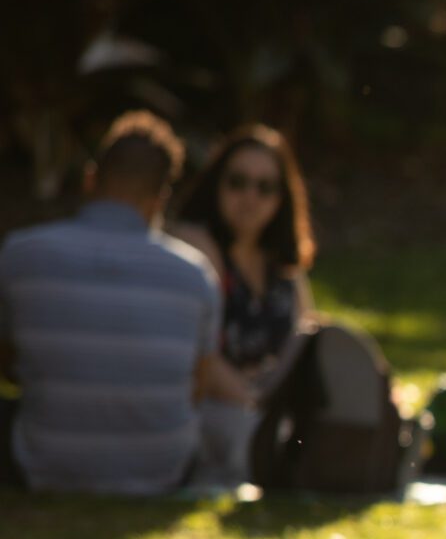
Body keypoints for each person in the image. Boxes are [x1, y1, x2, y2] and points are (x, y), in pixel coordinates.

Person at [0, 111, 252, 496]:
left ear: (90, 178)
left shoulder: (20, 255)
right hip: (162, 469)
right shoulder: (195, 275)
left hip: (43, 463)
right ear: (159, 200)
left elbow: (9, 366)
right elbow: (194, 390)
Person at [169, 124, 318, 488]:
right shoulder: (197, 247)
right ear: (216, 184)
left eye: (265, 187)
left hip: (268, 411)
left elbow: (308, 337)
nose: (250, 197)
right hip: (216, 409)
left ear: (282, 198)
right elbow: (199, 354)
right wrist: (255, 401)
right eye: (238, 182)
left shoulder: (283, 266)